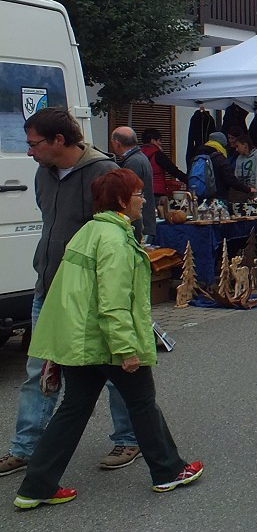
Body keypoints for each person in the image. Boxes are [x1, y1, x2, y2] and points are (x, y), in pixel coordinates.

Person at [12, 169, 203, 510]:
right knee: (142, 402)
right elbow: (113, 301)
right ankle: (168, 470)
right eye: (138, 194)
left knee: (74, 408)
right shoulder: (115, 240)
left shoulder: (88, 232)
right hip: (106, 341)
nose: (143, 200)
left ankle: (36, 485)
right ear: (120, 199)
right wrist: (126, 348)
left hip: (79, 340)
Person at [1, 108, 140, 478]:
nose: (29, 152)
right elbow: (50, 225)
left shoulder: (103, 173)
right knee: (39, 370)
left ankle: (129, 438)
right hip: (47, 288)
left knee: (114, 369)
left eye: (33, 145)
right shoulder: (43, 175)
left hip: (90, 294)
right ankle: (25, 448)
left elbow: (121, 231)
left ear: (59, 140)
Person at [110, 127, 155, 243]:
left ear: (117, 143)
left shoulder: (132, 162)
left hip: (139, 223)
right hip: (145, 221)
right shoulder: (140, 158)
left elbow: (129, 195)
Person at [191, 131, 256, 201]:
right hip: (218, 198)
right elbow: (230, 179)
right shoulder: (220, 159)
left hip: (198, 197)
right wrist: (248, 189)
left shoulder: (196, 158)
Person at [139, 128, 187, 199]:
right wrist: (189, 180)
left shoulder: (138, 154)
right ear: (153, 141)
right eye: (159, 140)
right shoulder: (158, 154)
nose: (160, 143)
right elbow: (174, 171)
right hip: (157, 192)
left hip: (141, 192)